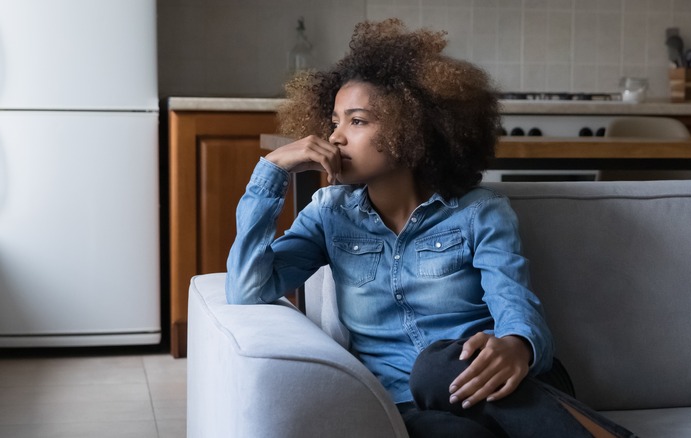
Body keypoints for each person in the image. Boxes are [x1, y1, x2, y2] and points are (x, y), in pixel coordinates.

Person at [226, 18, 635, 438]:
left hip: (505, 382)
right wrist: (272, 170)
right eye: (334, 122)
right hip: (409, 406)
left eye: (357, 121)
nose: (336, 138)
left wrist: (517, 345)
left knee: (436, 368)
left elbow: (515, 304)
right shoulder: (329, 215)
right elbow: (246, 289)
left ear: (412, 128)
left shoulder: (479, 213)